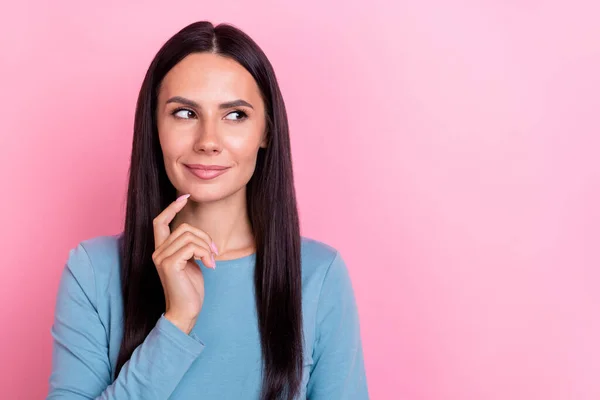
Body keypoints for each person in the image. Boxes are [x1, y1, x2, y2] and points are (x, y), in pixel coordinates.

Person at [47, 20, 369, 400]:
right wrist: (176, 322)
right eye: (185, 113)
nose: (208, 141)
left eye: (235, 115)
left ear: (266, 131)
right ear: (154, 126)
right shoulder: (93, 271)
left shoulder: (319, 275)